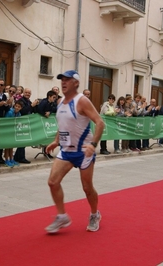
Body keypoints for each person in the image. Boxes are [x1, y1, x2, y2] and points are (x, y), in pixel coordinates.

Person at [44, 70, 105, 233]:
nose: (63, 82)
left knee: (87, 188)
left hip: (84, 151)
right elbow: (62, 124)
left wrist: (93, 144)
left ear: (76, 83)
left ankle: (94, 214)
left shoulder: (82, 101)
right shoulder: (60, 102)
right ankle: (62, 216)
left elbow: (100, 123)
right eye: (62, 80)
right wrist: (56, 141)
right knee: (52, 182)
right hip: (66, 151)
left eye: (67, 80)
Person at [14, 88, 39, 164]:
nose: (28, 94)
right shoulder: (21, 101)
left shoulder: (28, 101)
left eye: (29, 93)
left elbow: (34, 111)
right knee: (23, 140)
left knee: (24, 141)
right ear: (23, 93)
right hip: (21, 123)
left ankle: (17, 157)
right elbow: (23, 111)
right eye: (26, 92)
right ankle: (20, 157)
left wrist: (36, 105)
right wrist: (32, 105)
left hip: (27, 123)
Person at [4, 100, 24, 167]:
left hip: (13, 131)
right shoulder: (10, 112)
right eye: (16, 106)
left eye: (19, 107)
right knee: (7, 147)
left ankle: (11, 159)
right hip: (7, 131)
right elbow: (6, 122)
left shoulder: (19, 114)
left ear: (21, 108)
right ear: (14, 105)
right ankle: (6, 160)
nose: (17, 108)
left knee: (11, 146)